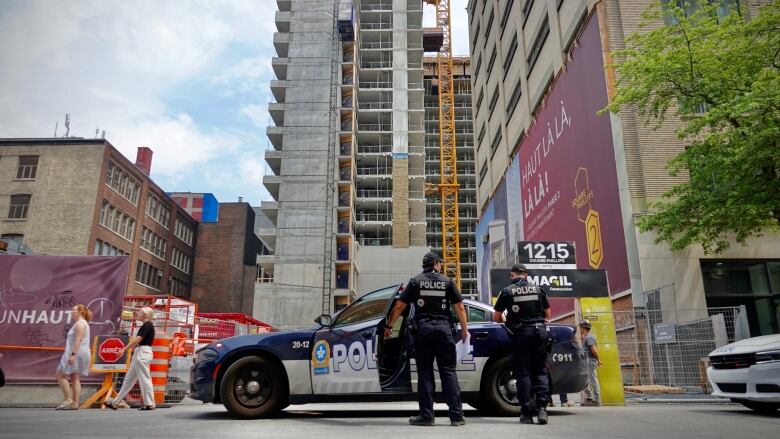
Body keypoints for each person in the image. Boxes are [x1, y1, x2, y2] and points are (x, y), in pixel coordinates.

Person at [384, 252, 469, 427]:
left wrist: (389, 326)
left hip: (423, 331)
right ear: (436, 264)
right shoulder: (447, 281)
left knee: (425, 372)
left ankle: (427, 416)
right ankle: (456, 416)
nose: (442, 266)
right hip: (444, 330)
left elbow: (400, 305)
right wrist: (465, 330)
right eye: (441, 263)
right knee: (448, 371)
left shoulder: (415, 282)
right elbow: (460, 307)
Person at [493, 264, 551, 425]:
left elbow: (497, 317)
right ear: (525, 275)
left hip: (520, 335)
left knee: (523, 374)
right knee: (540, 371)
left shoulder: (507, 291)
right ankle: (542, 409)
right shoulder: (539, 290)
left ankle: (526, 413)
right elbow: (548, 314)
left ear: (512, 275)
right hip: (539, 333)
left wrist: (508, 319)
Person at [108, 307, 156, 411]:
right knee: (129, 379)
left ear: (145, 315)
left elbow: (138, 339)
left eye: (140, 312)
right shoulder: (147, 325)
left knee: (144, 378)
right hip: (141, 353)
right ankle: (116, 402)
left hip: (142, 353)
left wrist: (123, 350)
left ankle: (150, 403)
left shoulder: (147, 325)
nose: (137, 314)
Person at [55, 304, 92, 410]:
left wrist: (72, 355)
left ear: (80, 312)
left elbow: (78, 340)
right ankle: (75, 404)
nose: (71, 312)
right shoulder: (83, 323)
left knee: (59, 374)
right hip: (81, 352)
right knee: (75, 377)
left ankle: (68, 399)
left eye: (73, 310)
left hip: (76, 352)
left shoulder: (80, 324)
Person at [579, 320, 603, 406]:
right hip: (586, 360)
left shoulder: (589, 337)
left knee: (593, 380)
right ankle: (589, 398)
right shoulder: (586, 337)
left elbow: (594, 350)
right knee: (585, 380)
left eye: (581, 327)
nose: (580, 328)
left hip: (590, 360)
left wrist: (598, 359)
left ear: (584, 327)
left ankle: (596, 400)